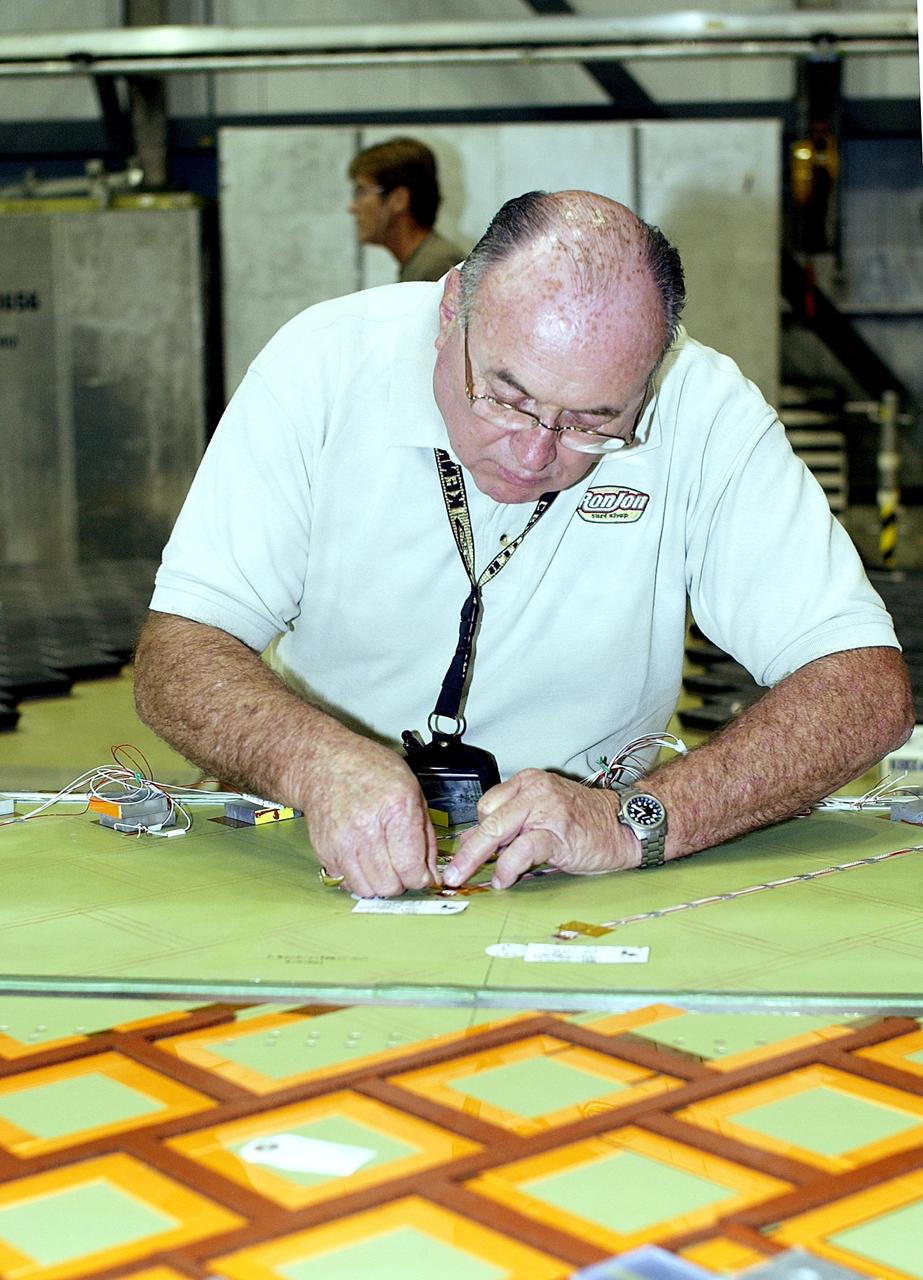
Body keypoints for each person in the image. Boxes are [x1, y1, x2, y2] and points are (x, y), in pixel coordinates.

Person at [134, 190, 913, 901]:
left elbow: (861, 691)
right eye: (505, 398)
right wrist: (312, 762)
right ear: (450, 315)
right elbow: (179, 654)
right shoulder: (322, 367)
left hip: (582, 860)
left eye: (592, 424)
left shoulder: (704, 410)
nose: (535, 454)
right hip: (311, 836)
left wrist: (634, 819)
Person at [347, 136, 464, 282]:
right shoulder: (423, 263)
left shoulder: (438, 267)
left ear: (399, 200)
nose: (352, 207)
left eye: (362, 192)